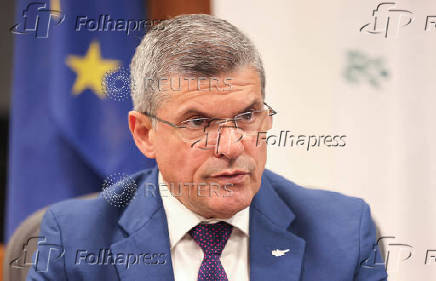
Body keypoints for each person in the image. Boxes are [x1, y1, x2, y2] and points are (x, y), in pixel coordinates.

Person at [26, 14, 388, 281]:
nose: (231, 146)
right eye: (198, 123)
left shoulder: (342, 232)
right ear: (144, 133)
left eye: (247, 116)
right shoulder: (74, 240)